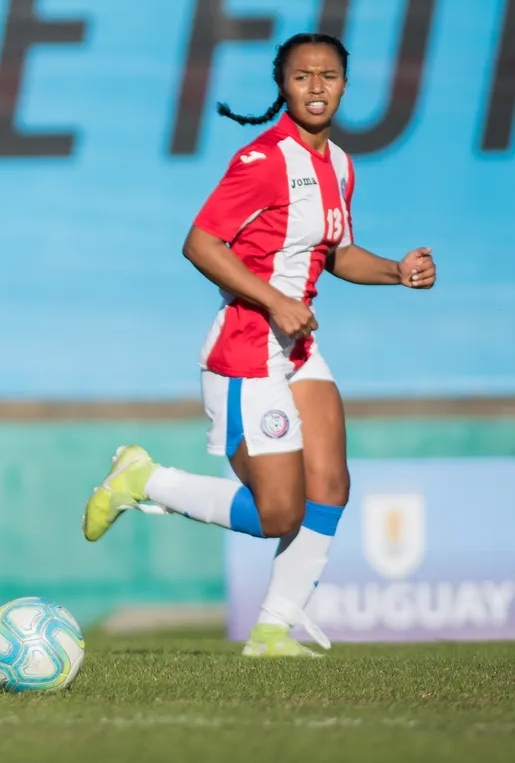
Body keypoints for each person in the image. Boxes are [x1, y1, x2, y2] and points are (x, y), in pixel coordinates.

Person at [81, 33, 435, 657]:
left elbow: (337, 254)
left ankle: (274, 629)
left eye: (328, 76)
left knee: (331, 485)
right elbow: (199, 243)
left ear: (346, 85)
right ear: (283, 86)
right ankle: (143, 479)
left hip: (297, 350)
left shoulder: (341, 165)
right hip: (246, 350)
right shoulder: (263, 160)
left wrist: (396, 270)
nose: (317, 87)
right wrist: (274, 301)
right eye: (303, 77)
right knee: (278, 513)